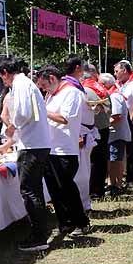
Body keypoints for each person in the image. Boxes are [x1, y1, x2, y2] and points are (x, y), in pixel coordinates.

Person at [0, 60, 52, 253]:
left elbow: (23, 113)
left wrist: (12, 127)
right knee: (33, 190)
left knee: (29, 191)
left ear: (5, 73)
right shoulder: (26, 84)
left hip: (32, 146)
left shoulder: (21, 84)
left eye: (1, 77)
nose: (3, 82)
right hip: (36, 144)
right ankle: (39, 232)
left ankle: (39, 236)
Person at [40, 65, 90, 236]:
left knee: (66, 187)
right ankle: (65, 223)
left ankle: (80, 222)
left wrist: (42, 110)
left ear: (53, 79)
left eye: (45, 85)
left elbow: (65, 118)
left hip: (65, 149)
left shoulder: (72, 93)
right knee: (55, 189)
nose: (44, 89)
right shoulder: (52, 95)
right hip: (50, 148)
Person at [62, 57, 97, 217]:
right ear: (77, 68)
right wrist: (77, 134)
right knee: (80, 174)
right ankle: (82, 207)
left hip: (84, 131)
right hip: (78, 134)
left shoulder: (75, 85)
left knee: (84, 172)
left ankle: (83, 204)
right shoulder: (69, 87)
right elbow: (69, 116)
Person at [113, 61, 133, 186]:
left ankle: (130, 179)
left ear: (124, 71)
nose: (115, 74)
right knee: (121, 150)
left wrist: (130, 119)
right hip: (122, 123)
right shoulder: (120, 85)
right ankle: (121, 175)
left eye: (117, 71)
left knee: (131, 151)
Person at [81, 64, 111, 201]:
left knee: (93, 160)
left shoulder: (85, 89)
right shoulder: (100, 88)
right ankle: (99, 189)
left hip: (94, 128)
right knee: (101, 159)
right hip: (104, 126)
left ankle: (94, 190)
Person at [102, 72, 130, 195]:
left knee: (115, 160)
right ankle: (112, 183)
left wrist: (103, 125)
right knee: (113, 159)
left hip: (116, 134)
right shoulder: (112, 94)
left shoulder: (114, 96)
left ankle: (116, 185)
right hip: (114, 134)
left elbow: (117, 116)